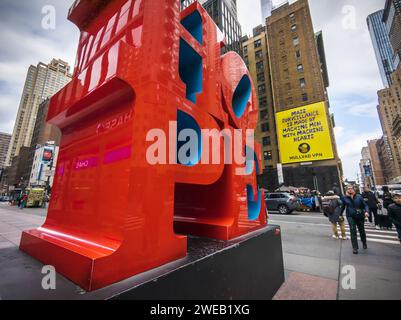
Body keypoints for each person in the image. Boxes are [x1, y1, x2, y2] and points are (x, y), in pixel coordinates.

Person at [341, 185, 369, 254]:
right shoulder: (344, 198)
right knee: (352, 230)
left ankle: (364, 242)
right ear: (346, 190)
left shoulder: (359, 196)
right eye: (348, 189)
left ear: (354, 189)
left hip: (360, 215)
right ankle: (355, 248)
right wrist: (339, 215)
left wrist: (366, 211)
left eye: (351, 188)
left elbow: (365, 205)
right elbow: (342, 207)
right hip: (350, 216)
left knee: (361, 230)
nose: (350, 190)